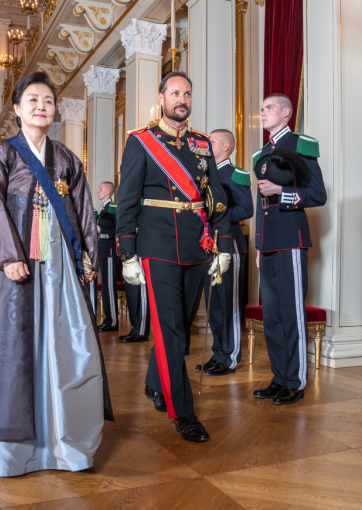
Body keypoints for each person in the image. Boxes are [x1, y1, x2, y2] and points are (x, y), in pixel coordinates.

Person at [0, 72, 113, 477]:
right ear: (17, 109)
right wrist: (8, 256)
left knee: (64, 343)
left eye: (49, 100)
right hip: (13, 261)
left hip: (57, 265)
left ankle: (62, 441)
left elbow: (84, 210)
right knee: (11, 344)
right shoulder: (2, 155)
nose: (41, 105)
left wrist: (87, 259)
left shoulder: (68, 159)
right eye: (32, 99)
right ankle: (9, 449)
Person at [116, 71, 232, 442]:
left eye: (188, 93)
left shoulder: (201, 144)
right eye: (175, 93)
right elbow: (128, 199)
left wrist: (223, 244)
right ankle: (182, 412)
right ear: (162, 98)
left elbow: (217, 197)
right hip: (157, 246)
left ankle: (155, 383)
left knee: (178, 332)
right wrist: (127, 252)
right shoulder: (142, 142)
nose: (182, 99)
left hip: (196, 246)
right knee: (169, 333)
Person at [251, 93, 327, 405]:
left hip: (292, 239)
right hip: (268, 242)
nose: (264, 113)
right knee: (271, 314)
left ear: (286, 112)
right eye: (262, 108)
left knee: (290, 313)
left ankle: (294, 381)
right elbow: (259, 202)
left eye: (269, 108)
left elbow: (317, 194)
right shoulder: (261, 154)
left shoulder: (301, 144)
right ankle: (279, 377)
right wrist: (258, 243)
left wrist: (282, 192)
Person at [196, 129, 253, 376]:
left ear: (226, 146)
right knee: (214, 305)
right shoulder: (205, 175)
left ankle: (230, 357)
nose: (208, 144)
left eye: (213, 141)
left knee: (229, 303)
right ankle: (218, 353)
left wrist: (217, 215)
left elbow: (246, 209)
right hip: (209, 247)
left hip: (230, 245)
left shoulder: (236, 174)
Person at [96, 181, 120, 332]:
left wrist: (98, 229)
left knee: (109, 287)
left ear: (108, 192)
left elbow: (115, 230)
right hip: (104, 251)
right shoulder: (104, 208)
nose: (98, 191)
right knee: (105, 286)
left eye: (100, 189)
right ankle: (108, 319)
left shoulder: (113, 208)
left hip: (110, 251)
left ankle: (112, 321)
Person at [120, 225, 151, 343]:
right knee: (132, 292)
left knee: (141, 290)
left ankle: (141, 330)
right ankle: (136, 327)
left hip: (141, 244)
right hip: (129, 246)